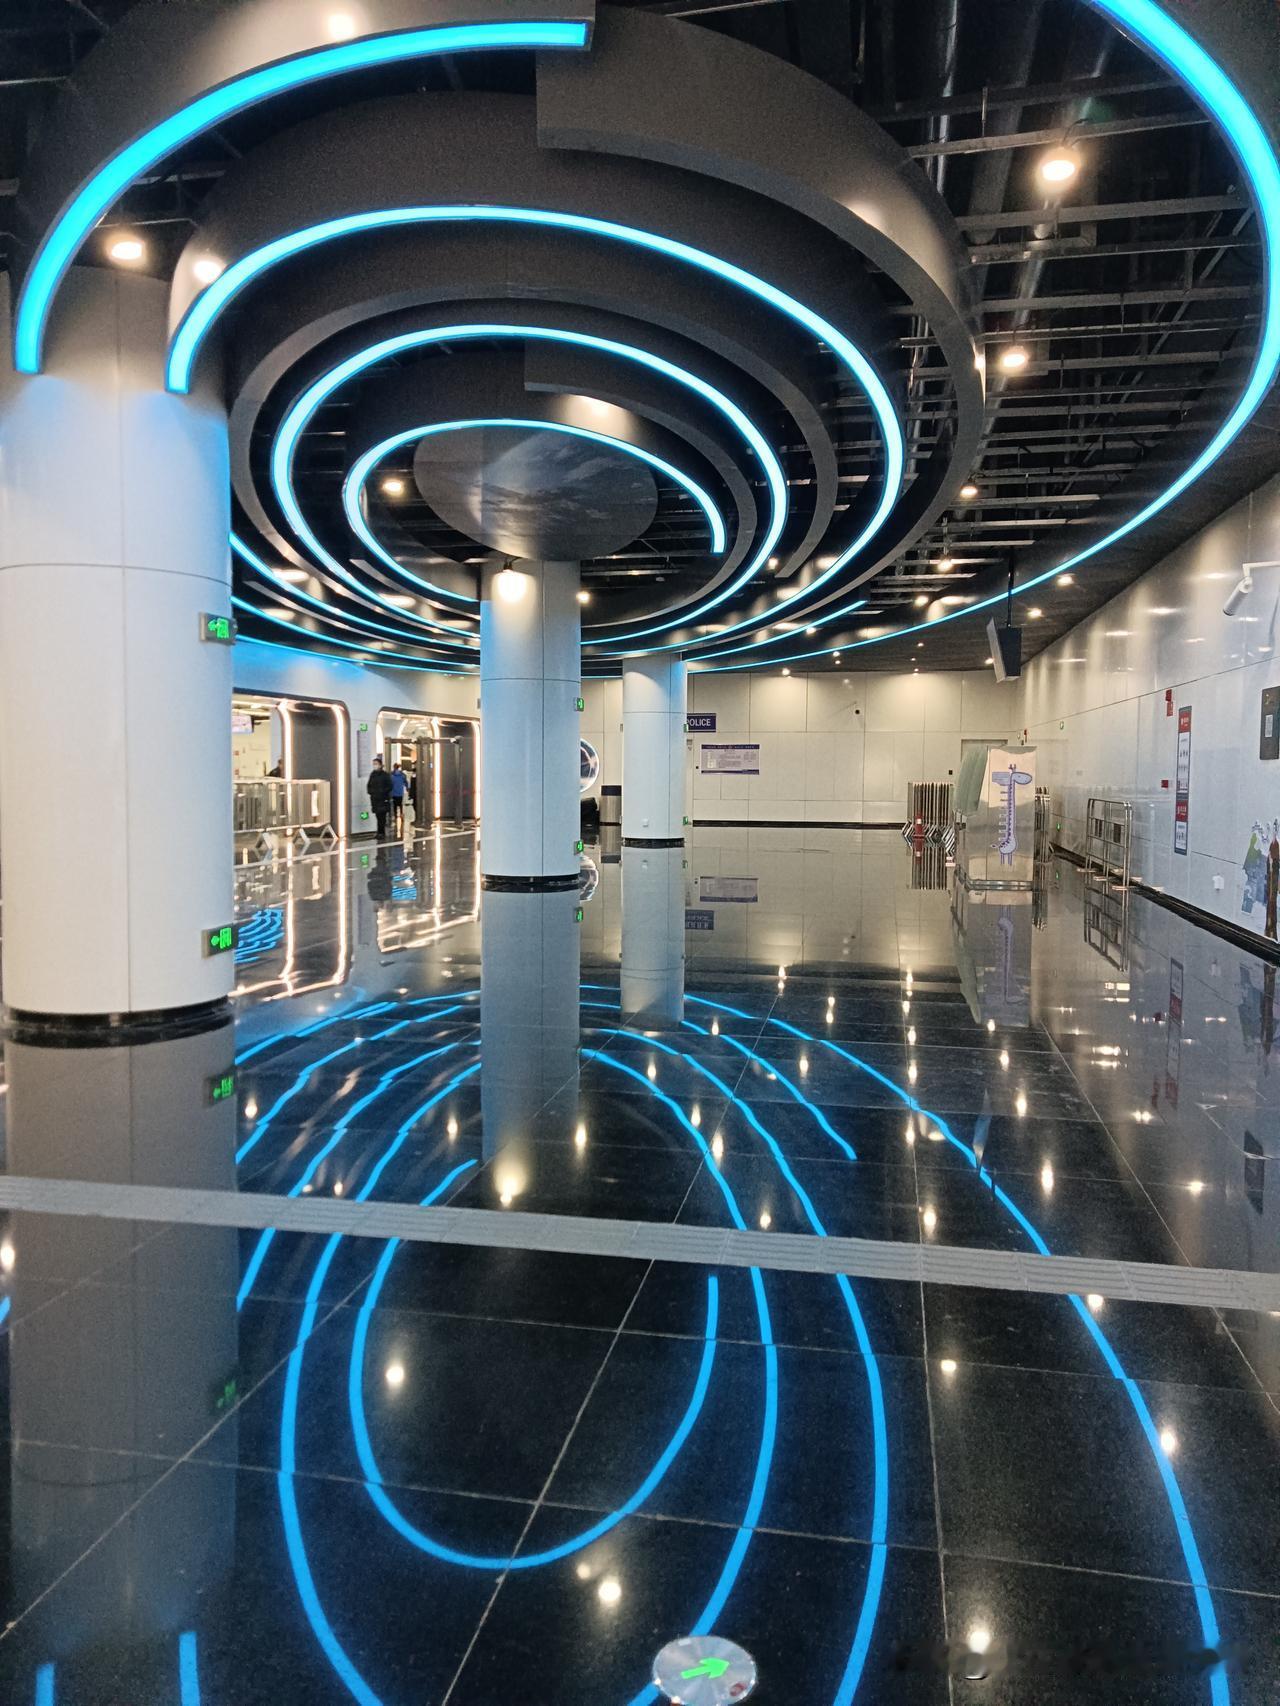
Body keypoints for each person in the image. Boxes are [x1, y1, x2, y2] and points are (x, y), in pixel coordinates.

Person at [367, 756, 392, 838]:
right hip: (375, 799)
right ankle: (379, 832)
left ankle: (381, 833)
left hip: (383, 799)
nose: (375, 765)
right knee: (378, 816)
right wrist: (371, 792)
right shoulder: (372, 775)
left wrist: (382, 792)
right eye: (374, 764)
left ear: (380, 765)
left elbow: (390, 786)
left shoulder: (385, 775)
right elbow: (369, 785)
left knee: (382, 816)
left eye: (376, 764)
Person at [390, 762, 408, 835]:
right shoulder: (402, 775)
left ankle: (395, 816)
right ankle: (401, 815)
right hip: (400, 792)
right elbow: (406, 782)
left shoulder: (391, 775)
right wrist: (407, 788)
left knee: (395, 805)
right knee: (400, 805)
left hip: (394, 793)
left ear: (394, 767)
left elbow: (390, 784)